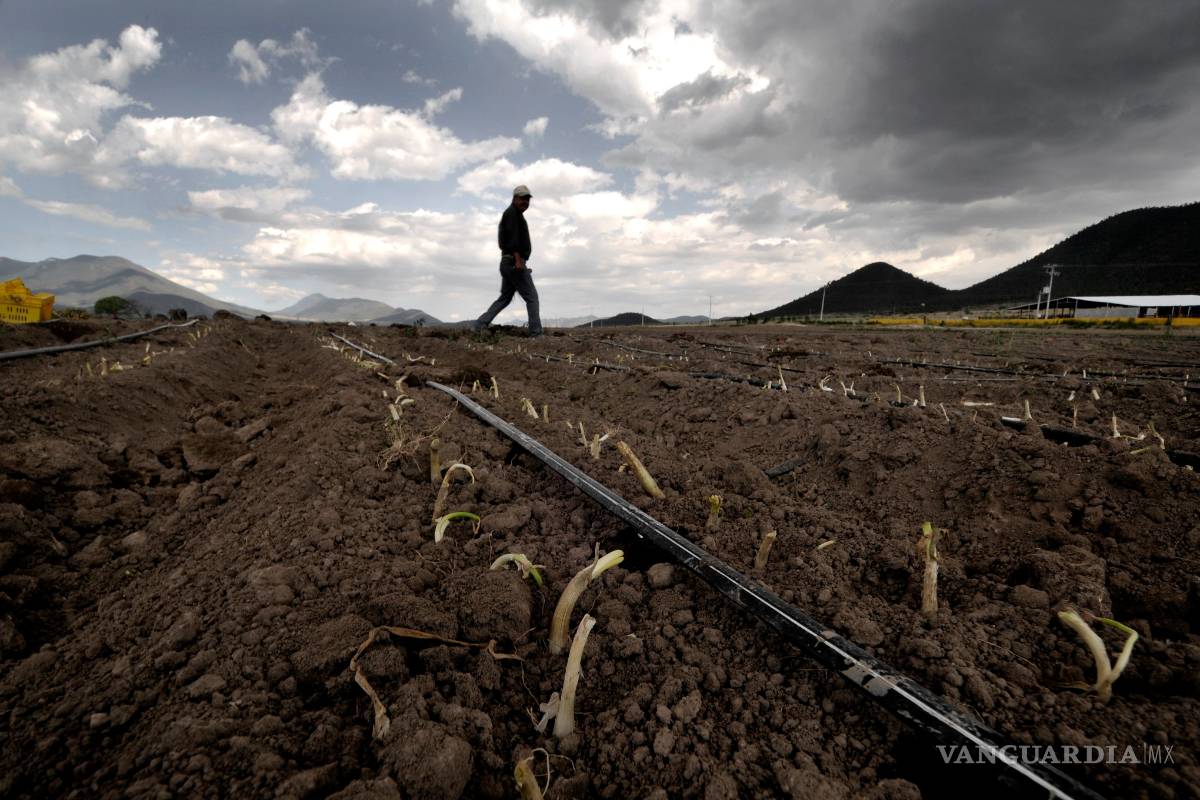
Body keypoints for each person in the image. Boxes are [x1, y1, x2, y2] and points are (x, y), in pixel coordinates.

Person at [474, 185, 542, 336]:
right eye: (522, 198)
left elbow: (509, 241)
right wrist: (518, 261)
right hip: (512, 262)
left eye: (527, 199)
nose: (525, 201)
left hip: (508, 262)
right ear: (514, 198)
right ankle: (536, 333)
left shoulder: (514, 214)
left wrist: (522, 262)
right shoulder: (512, 214)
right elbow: (512, 240)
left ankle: (480, 323)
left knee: (505, 298)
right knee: (532, 298)